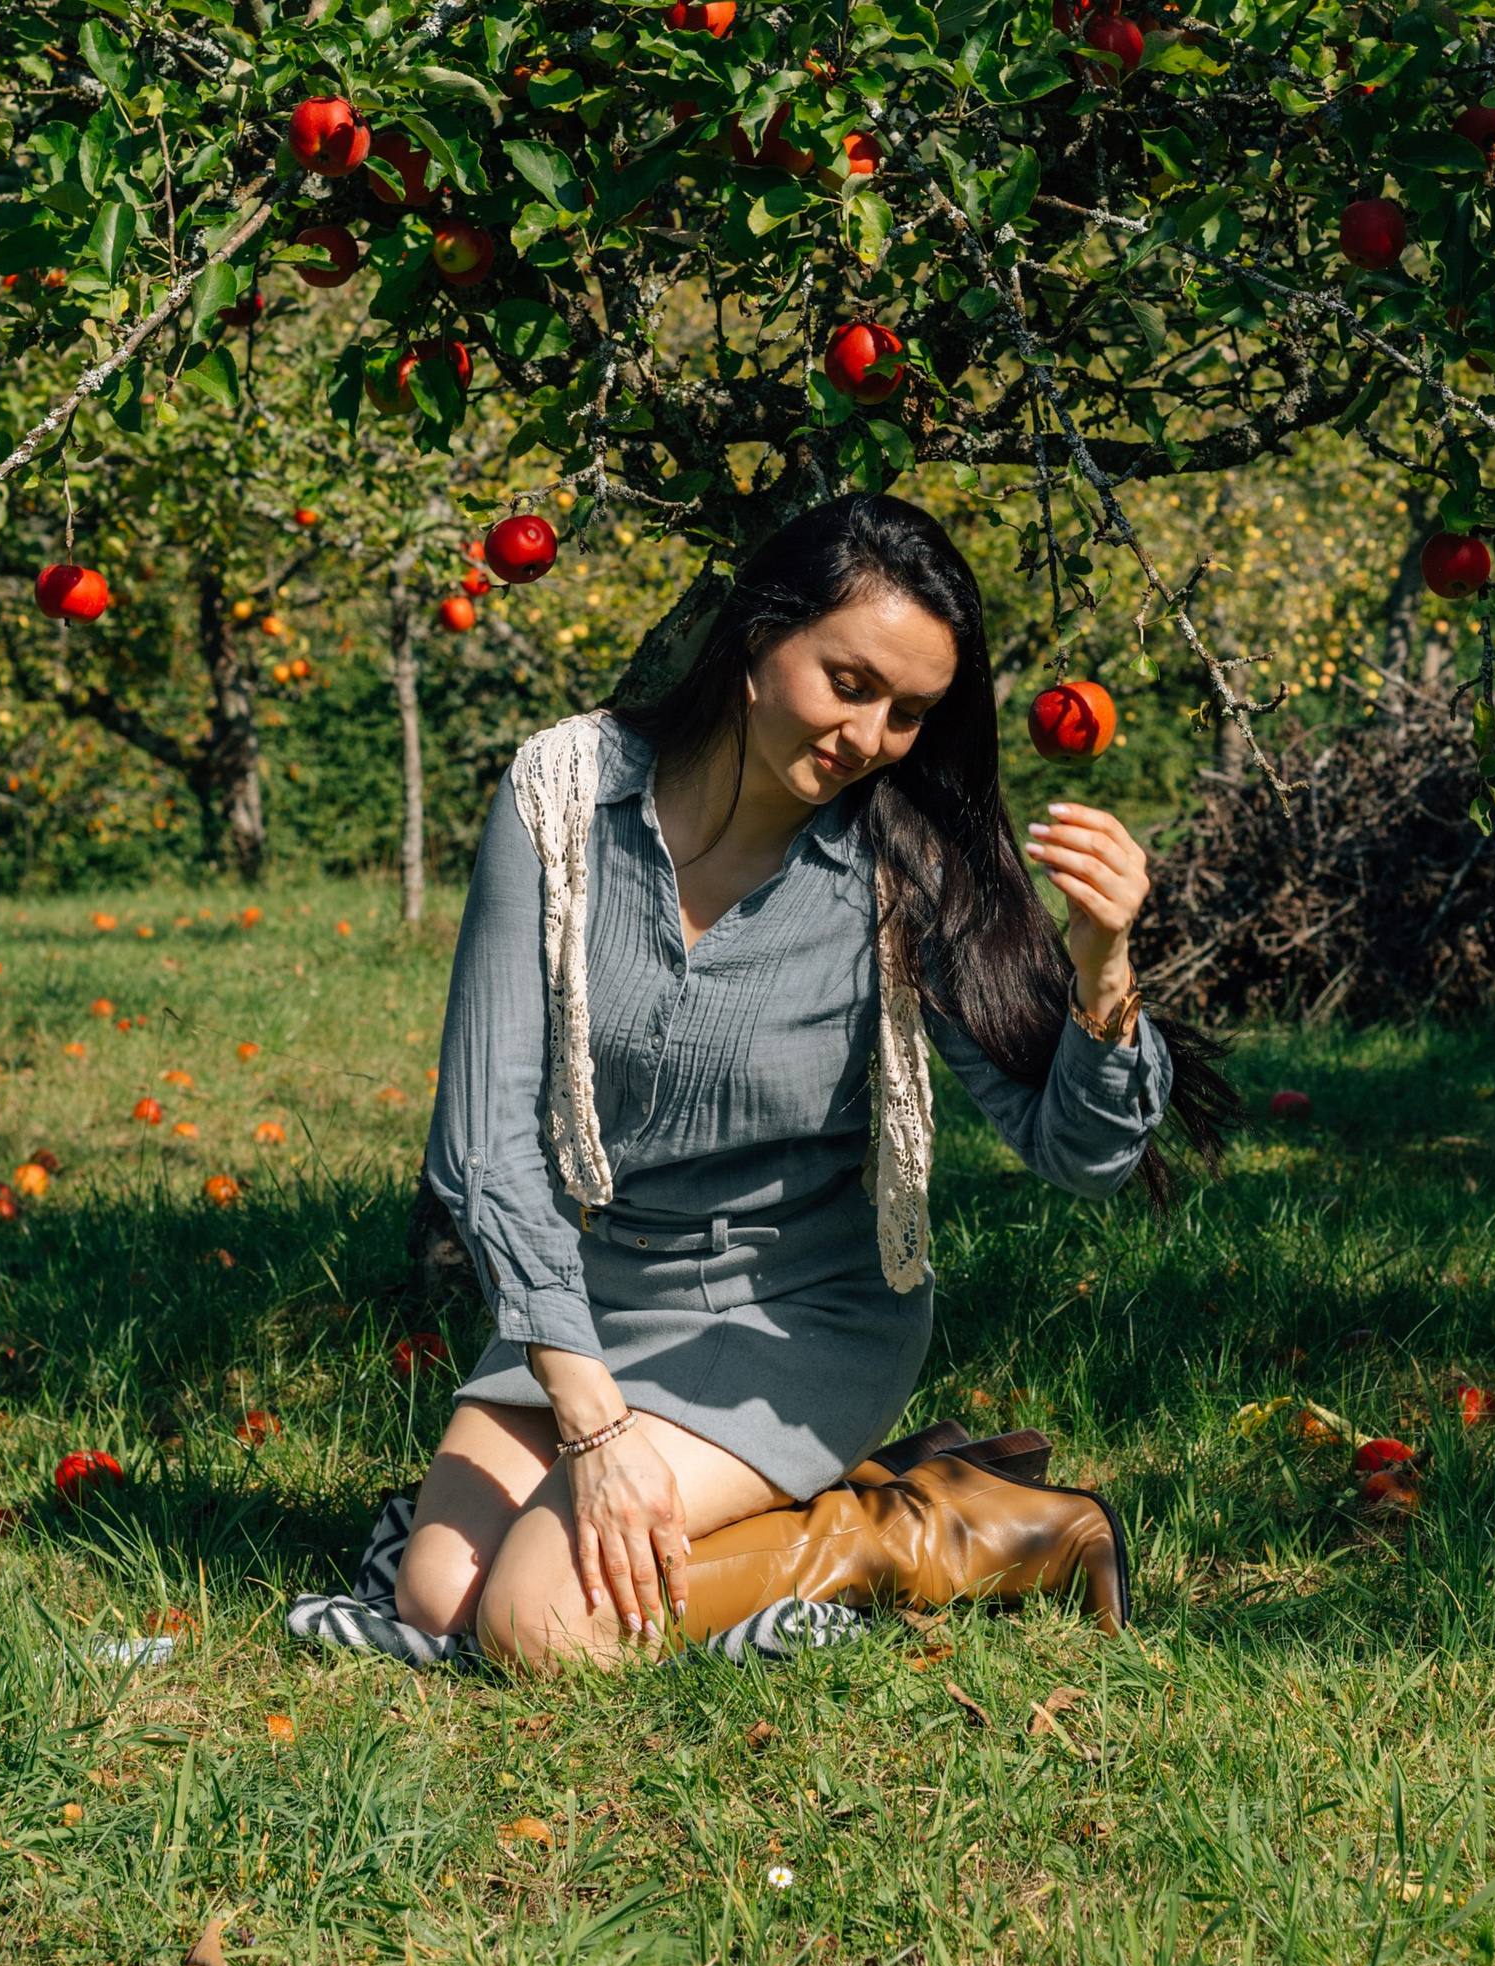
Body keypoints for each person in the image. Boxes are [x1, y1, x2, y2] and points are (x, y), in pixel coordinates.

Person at [393, 491, 1175, 1666]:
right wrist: (589, 1419)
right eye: (848, 683)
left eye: (908, 713)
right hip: (593, 1298)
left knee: (537, 1626)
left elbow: (1079, 1157)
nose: (869, 737)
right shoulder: (566, 792)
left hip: (794, 1310)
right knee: (438, 1598)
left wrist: (1103, 966)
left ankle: (939, 1526)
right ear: (762, 638)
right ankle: (849, 1484)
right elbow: (488, 1142)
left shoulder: (903, 862)